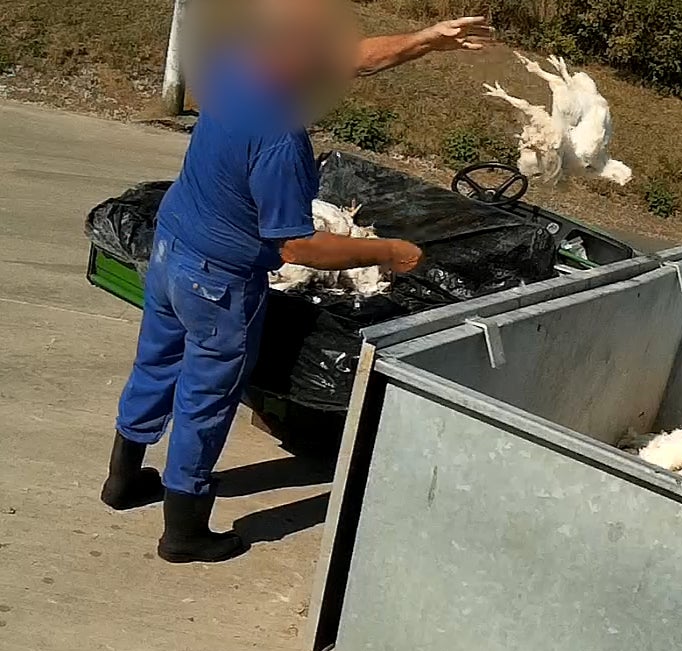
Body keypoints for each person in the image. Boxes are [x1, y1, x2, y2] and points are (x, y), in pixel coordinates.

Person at [99, 0, 492, 563]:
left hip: (172, 248)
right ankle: (183, 531)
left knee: (156, 363)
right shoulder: (280, 140)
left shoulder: (236, 63)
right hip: (219, 282)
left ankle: (122, 481)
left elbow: (352, 60)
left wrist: (429, 39)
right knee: (206, 398)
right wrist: (390, 250)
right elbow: (297, 246)